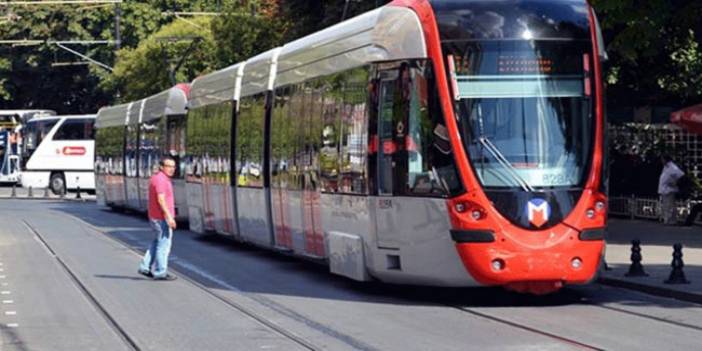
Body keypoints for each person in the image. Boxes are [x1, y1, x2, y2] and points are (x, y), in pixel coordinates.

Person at [138, 156, 178, 280]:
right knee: (163, 245)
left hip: (155, 217)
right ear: (161, 167)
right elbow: (161, 200)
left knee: (157, 242)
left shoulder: (158, 178)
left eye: (173, 166)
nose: (172, 169)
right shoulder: (161, 180)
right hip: (161, 218)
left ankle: (145, 267)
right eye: (168, 166)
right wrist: (169, 217)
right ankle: (161, 271)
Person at [658, 154, 685, 225]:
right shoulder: (666, 167)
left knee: (670, 205)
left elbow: (680, 175)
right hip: (665, 189)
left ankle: (671, 220)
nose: (661, 161)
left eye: (662, 159)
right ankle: (667, 219)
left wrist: (675, 183)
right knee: (666, 205)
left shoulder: (672, 167)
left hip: (670, 189)